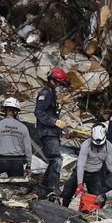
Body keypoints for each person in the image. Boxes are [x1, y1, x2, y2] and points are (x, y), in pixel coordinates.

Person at [33, 66, 69, 199]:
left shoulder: (52, 93)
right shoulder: (46, 93)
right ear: (52, 81)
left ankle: (43, 188)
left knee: (53, 160)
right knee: (56, 159)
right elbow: (39, 112)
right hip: (47, 132)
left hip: (52, 132)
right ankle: (53, 187)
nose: (60, 87)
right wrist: (54, 122)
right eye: (59, 84)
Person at [61, 124, 112, 208]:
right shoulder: (86, 145)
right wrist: (79, 183)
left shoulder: (109, 146)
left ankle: (91, 214)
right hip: (81, 171)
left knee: (97, 198)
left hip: (95, 174)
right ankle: (63, 208)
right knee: (67, 193)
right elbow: (81, 165)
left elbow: (110, 164)